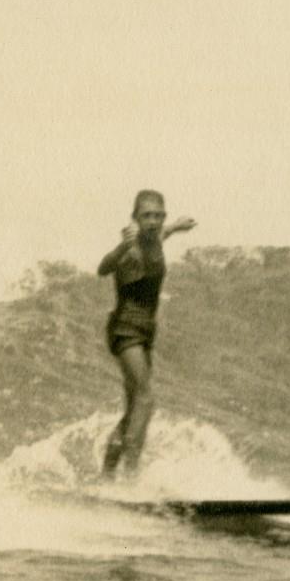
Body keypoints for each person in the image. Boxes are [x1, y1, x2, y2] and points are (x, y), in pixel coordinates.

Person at [97, 189, 195, 478]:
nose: (153, 221)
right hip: (125, 330)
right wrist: (119, 248)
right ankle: (131, 479)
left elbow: (162, 234)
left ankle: (106, 477)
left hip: (145, 333)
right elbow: (103, 268)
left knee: (133, 411)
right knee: (146, 399)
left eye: (158, 215)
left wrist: (176, 226)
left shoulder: (156, 238)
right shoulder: (130, 247)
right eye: (146, 216)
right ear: (135, 218)